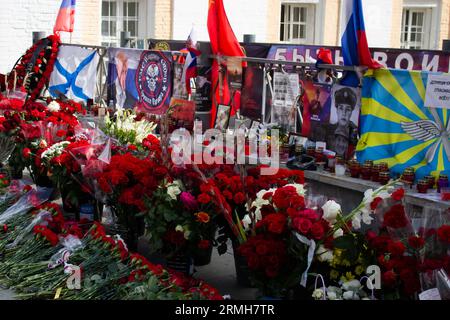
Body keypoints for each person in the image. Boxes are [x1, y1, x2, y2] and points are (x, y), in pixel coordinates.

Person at [325, 87, 358, 154]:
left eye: (348, 109)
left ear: (352, 111)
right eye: (341, 108)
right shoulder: (329, 129)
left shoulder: (355, 131)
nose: (344, 113)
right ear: (336, 110)